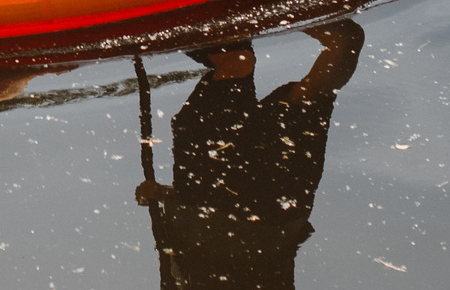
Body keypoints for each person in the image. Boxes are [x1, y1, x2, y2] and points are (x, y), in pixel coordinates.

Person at [135, 23, 365, 290]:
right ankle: (278, 4)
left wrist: (165, 196)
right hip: (253, 219)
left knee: (238, 64)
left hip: (240, 218)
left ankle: (241, 8)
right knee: (283, 81)